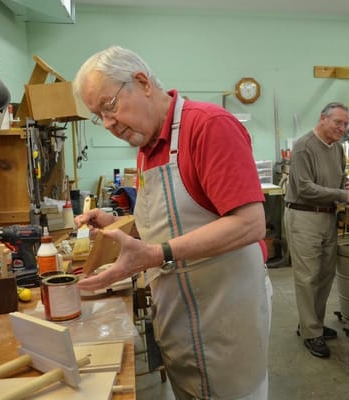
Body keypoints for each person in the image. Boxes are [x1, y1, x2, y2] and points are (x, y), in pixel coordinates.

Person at [73, 46, 271, 400]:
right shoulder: (147, 144)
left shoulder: (208, 126)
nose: (108, 123)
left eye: (109, 106)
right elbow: (169, 222)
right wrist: (115, 224)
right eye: (97, 116)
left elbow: (249, 224)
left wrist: (155, 254)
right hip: (180, 315)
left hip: (224, 316)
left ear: (142, 82)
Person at [284, 102, 349, 358]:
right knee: (307, 277)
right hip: (304, 216)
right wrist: (344, 195)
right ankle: (310, 333)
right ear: (322, 119)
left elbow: (340, 177)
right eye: (338, 122)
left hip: (327, 216)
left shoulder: (338, 148)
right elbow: (306, 188)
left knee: (324, 275)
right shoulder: (303, 146)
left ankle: (313, 324)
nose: (342, 128)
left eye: (346, 124)